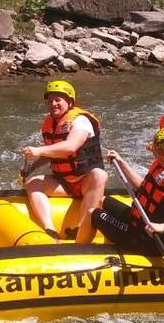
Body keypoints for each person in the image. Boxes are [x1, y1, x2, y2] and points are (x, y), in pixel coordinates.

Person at [78, 125, 164, 253]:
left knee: (92, 213)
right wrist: (121, 162)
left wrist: (162, 227)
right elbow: (143, 187)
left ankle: (75, 253)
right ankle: (111, 247)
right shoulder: (163, 167)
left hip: (149, 239)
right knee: (102, 200)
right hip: (138, 221)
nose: (163, 156)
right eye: (160, 150)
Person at [20, 80, 107, 243]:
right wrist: (31, 168)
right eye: (50, 100)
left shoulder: (81, 120)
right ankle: (50, 230)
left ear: (70, 102)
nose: (53, 104)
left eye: (58, 99)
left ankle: (81, 228)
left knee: (99, 175)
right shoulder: (50, 123)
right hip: (64, 183)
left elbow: (69, 147)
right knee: (33, 183)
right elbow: (52, 153)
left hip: (85, 182)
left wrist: (37, 150)